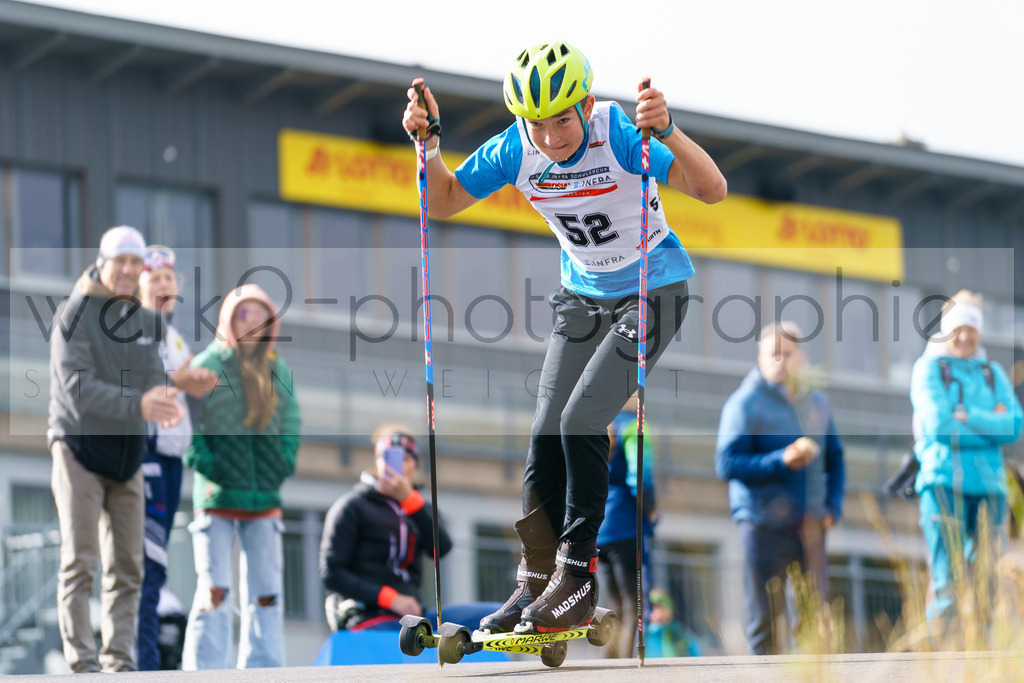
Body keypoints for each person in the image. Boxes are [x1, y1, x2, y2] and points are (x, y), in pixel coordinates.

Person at [402, 40, 725, 635]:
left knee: (583, 419)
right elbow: (443, 200)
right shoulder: (515, 148)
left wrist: (671, 130)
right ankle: (534, 580)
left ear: (584, 104)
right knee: (547, 425)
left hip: (656, 288)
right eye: (537, 123)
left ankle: (577, 577)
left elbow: (713, 190)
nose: (550, 136)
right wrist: (429, 146)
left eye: (561, 119)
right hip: (582, 298)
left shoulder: (619, 134)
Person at [47, 225, 185, 673]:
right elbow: (77, 389)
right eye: (120, 261)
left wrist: (167, 399)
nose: (128, 270)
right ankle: (82, 664)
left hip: (126, 456)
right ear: (102, 262)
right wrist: (141, 401)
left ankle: (118, 664)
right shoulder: (74, 312)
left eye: (135, 262)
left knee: (128, 566)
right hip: (78, 448)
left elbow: (150, 381)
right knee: (81, 561)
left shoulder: (148, 321)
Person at [181, 284, 302, 670]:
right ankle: (204, 671)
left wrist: (284, 461)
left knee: (266, 592)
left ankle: (264, 669)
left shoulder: (277, 368)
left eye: (259, 315)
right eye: (243, 314)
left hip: (264, 497)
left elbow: (292, 419)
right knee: (214, 589)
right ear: (230, 319)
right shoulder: (209, 363)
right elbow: (187, 423)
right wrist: (209, 466)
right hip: (217, 496)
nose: (251, 322)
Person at [714, 322, 845, 655]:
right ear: (759, 358)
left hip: (810, 525)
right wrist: (780, 460)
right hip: (761, 525)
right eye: (773, 354)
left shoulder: (816, 403)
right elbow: (726, 464)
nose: (780, 361)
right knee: (766, 622)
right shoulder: (744, 403)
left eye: (787, 354)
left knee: (815, 622)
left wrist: (832, 508)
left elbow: (836, 460)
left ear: (799, 357)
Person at [910, 290, 1022, 631]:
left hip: (990, 486)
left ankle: (983, 667)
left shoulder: (993, 373)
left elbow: (1014, 426)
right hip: (944, 484)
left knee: (989, 580)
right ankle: (942, 664)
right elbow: (939, 427)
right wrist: (989, 422)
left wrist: (966, 415)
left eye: (971, 328)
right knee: (947, 580)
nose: (964, 336)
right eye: (958, 328)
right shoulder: (928, 369)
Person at [134, 246, 218, 671]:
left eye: (170, 277)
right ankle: (142, 662)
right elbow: (137, 386)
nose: (165, 284)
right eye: (156, 278)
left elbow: (182, 382)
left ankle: (145, 659)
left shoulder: (173, 334)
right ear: (139, 285)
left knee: (158, 558)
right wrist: (181, 379)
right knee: (148, 561)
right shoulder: (134, 327)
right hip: (146, 453)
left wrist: (196, 381)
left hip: (170, 455)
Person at [319, 425, 453, 631]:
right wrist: (390, 598)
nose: (397, 466)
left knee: (482, 618)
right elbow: (331, 572)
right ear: (377, 461)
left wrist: (409, 501)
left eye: (405, 459)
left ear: (415, 465)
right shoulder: (352, 506)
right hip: (367, 613)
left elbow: (442, 548)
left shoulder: (421, 508)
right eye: (389, 458)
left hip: (413, 614)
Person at [596, 394, 656, 657]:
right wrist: (651, 505)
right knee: (635, 606)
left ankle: (608, 667)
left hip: (600, 529)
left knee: (614, 606)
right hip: (626, 526)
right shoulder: (634, 427)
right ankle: (625, 668)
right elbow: (641, 475)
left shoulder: (599, 426)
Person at [645, 588, 702, 658]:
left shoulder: (679, 633)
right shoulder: (646, 635)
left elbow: (696, 655)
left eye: (658, 607)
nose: (653, 612)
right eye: (651, 608)